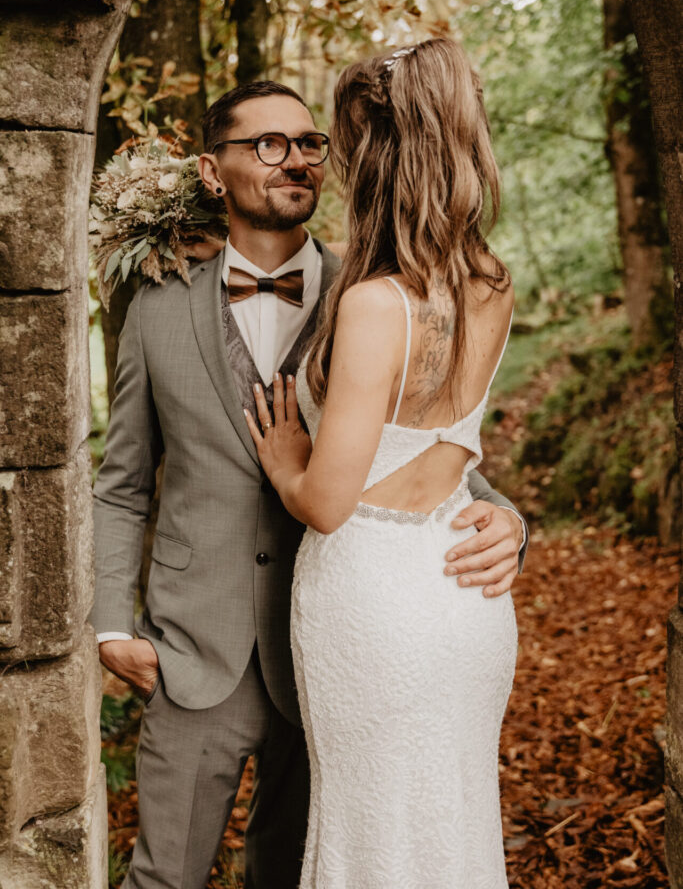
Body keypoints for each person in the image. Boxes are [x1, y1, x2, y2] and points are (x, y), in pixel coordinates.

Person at [91, 78, 527, 889]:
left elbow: (421, 448)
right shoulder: (153, 308)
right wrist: (112, 623)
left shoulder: (371, 293)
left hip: (338, 648)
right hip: (194, 653)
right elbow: (121, 482)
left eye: (308, 143)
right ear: (211, 172)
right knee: (162, 878)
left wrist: (507, 521)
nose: (294, 159)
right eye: (266, 143)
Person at [245, 40, 518, 888]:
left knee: (372, 835)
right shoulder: (491, 283)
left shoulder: (373, 305)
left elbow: (327, 503)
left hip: (370, 604)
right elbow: (448, 444)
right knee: (450, 823)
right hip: (459, 598)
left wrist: (290, 460)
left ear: (375, 157)